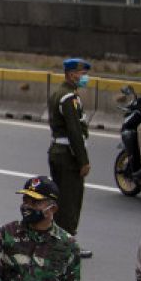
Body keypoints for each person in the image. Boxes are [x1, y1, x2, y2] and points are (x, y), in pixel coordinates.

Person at [47, 58, 93, 259]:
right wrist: (83, 160)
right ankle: (66, 244)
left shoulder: (59, 92)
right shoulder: (68, 98)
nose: (84, 77)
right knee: (70, 201)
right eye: (81, 73)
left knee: (60, 199)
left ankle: (56, 240)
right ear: (71, 74)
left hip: (58, 151)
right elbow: (75, 131)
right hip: (68, 156)